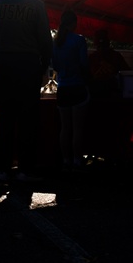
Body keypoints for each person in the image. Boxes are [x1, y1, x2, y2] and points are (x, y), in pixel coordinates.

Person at [0, 0, 52, 183]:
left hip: (4, 65)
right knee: (27, 119)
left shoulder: (0, 5)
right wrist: (44, 68)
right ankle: (25, 170)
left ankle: (2, 169)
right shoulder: (37, 6)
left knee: (3, 118)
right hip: (28, 65)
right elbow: (44, 39)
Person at [52, 10, 90, 170]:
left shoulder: (56, 42)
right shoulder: (79, 40)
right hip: (78, 87)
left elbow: (55, 66)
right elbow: (84, 65)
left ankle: (66, 159)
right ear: (73, 23)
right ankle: (77, 159)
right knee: (77, 128)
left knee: (65, 128)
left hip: (63, 88)